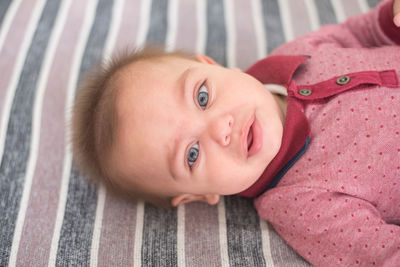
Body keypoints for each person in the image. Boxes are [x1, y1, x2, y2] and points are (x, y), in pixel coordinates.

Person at [71, 0, 400, 265]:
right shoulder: (299, 204)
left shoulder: (294, 55)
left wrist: (389, 19)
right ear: (199, 196)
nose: (219, 130)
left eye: (203, 97)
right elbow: (381, 254)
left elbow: (360, 33)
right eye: (192, 155)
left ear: (213, 65)